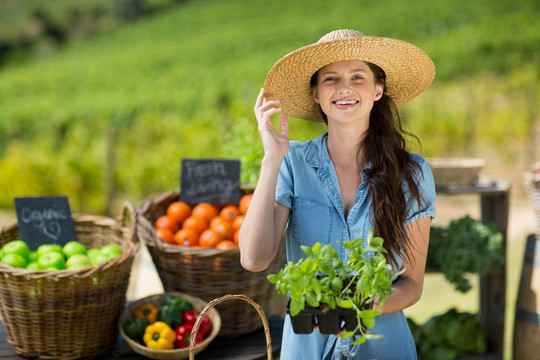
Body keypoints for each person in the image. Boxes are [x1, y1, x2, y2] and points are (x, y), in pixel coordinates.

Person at [239, 29, 437, 360]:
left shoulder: (412, 172)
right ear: (316, 93)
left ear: (378, 89)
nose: (344, 87)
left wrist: (367, 305)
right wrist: (271, 159)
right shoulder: (293, 163)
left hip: (383, 346)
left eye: (357, 77)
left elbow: (412, 284)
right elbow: (254, 259)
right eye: (331, 78)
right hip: (307, 346)